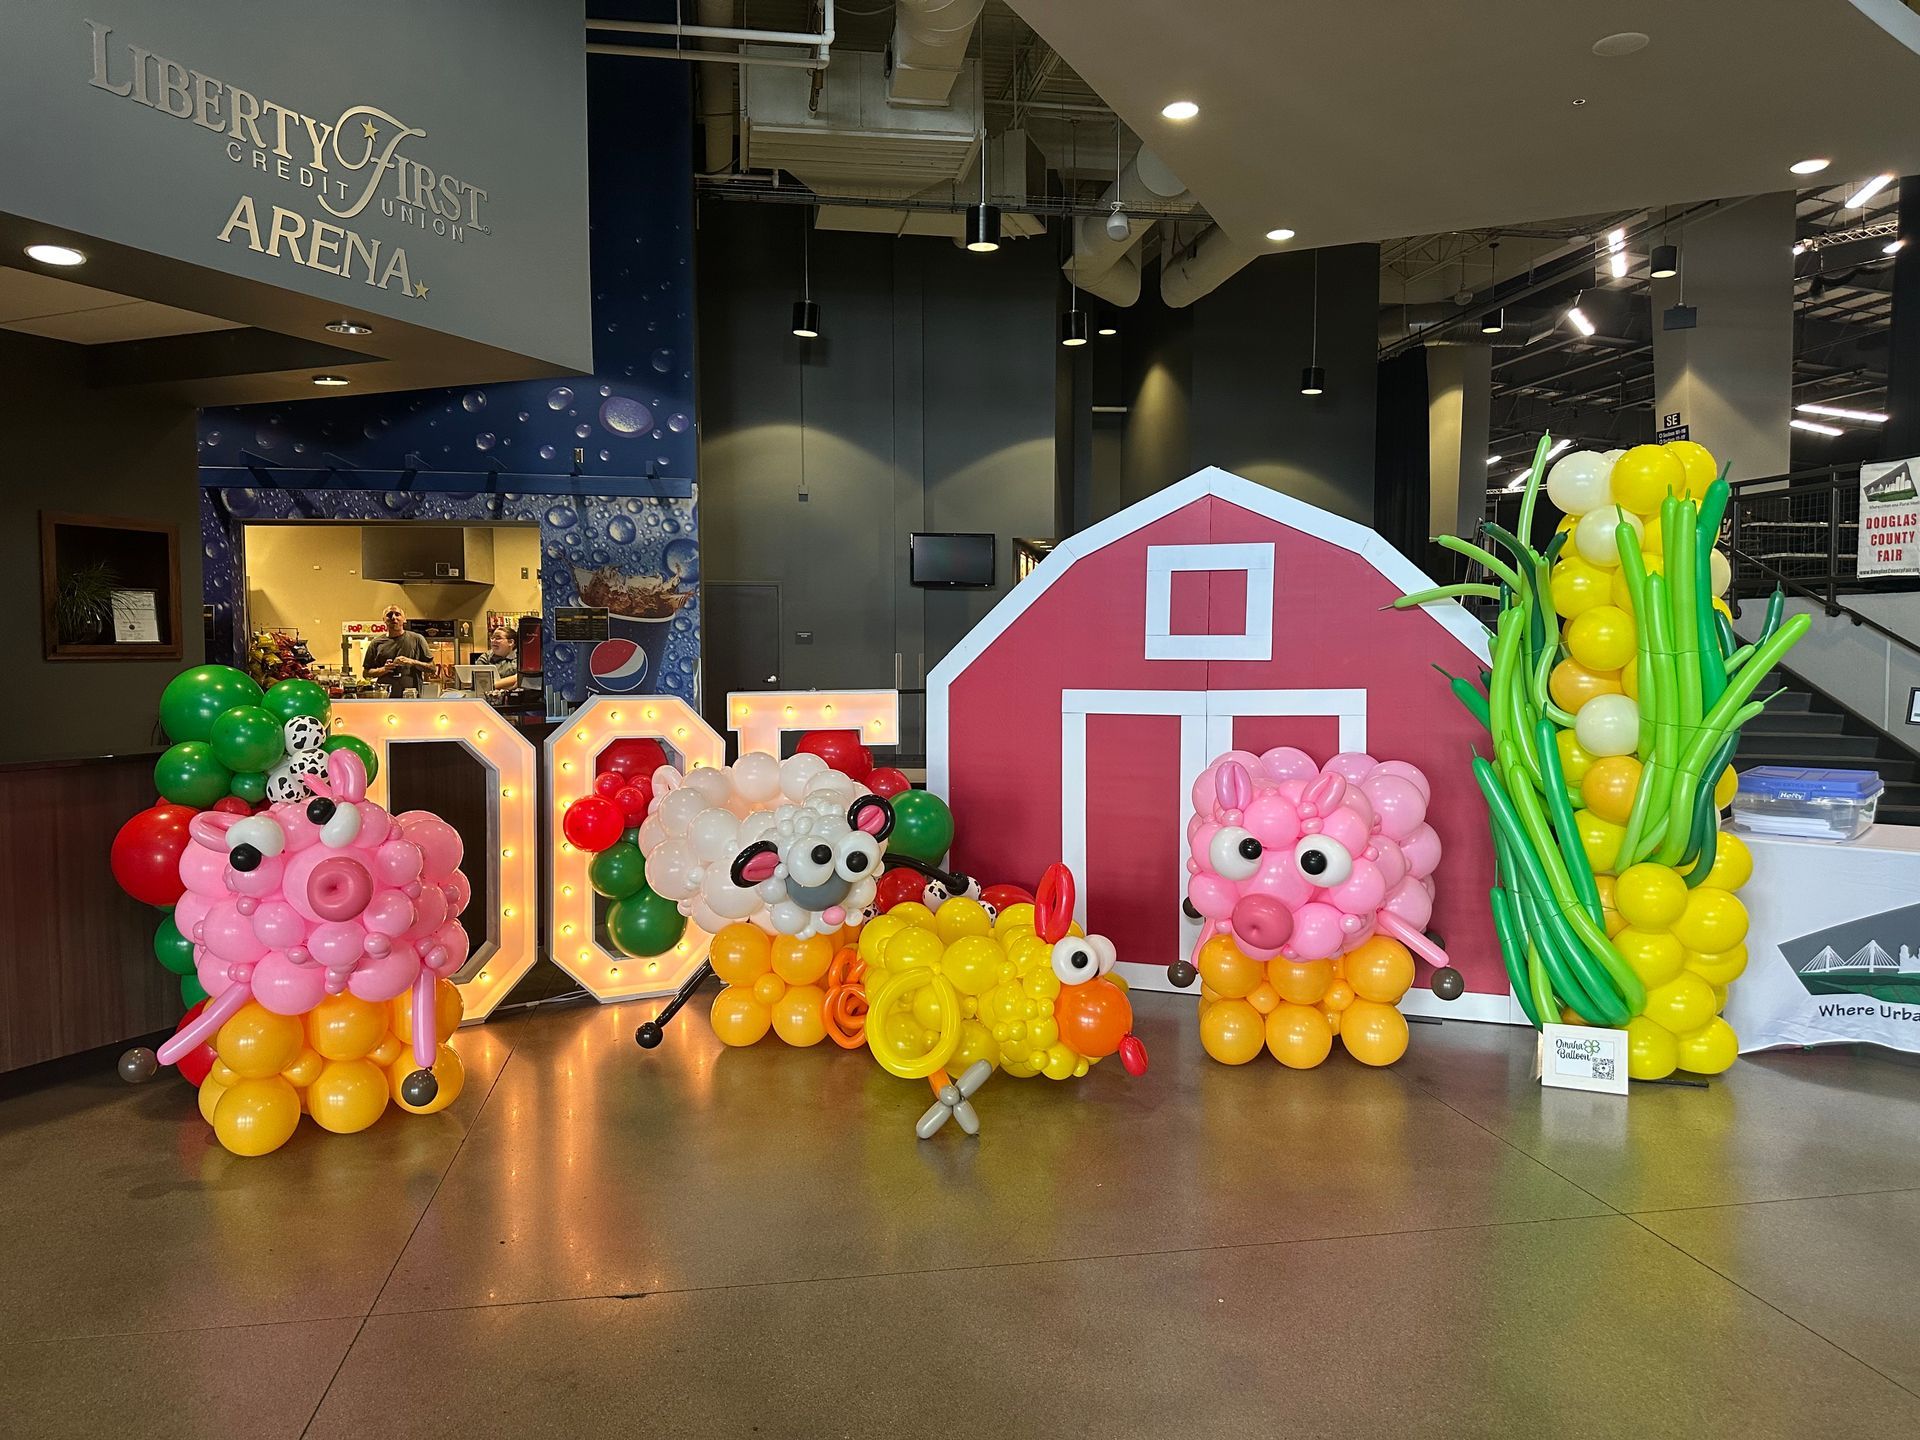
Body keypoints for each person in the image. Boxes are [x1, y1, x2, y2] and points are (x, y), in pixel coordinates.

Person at [362, 606, 434, 698]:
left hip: (411, 697)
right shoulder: (376, 643)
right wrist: (384, 669)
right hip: (384, 698)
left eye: (397, 614)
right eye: (389, 615)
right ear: (384, 620)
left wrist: (412, 662)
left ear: (404, 619)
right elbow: (366, 673)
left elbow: (432, 668)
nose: (393, 618)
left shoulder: (417, 639)